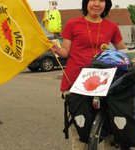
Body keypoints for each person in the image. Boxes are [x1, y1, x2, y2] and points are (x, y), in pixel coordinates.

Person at [49, 0, 127, 149]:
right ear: (86, 3)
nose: (96, 4)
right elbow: (65, 51)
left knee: (110, 129)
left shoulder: (112, 26)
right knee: (81, 130)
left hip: (103, 83)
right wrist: (56, 49)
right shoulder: (73, 23)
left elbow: (122, 52)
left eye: (101, 0)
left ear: (106, 4)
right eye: (93, 0)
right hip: (75, 81)